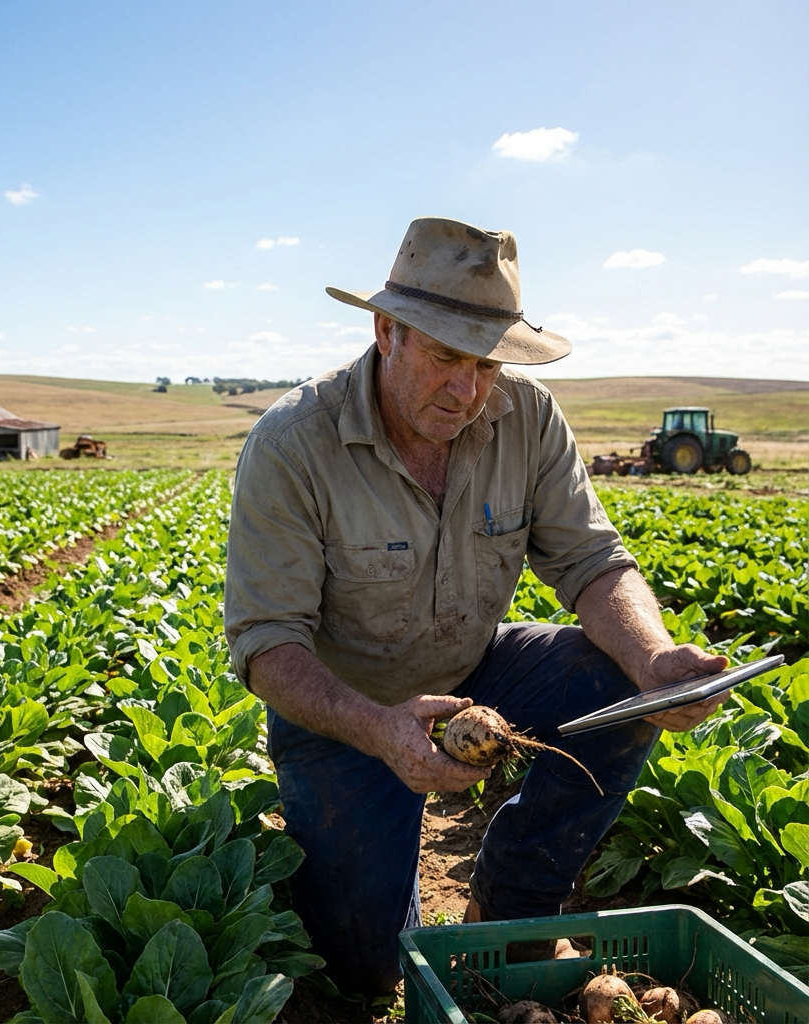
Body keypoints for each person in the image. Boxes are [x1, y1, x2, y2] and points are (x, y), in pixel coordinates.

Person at [223, 217, 729, 997]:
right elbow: (266, 645)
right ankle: (390, 905)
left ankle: (517, 903)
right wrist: (380, 729)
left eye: (488, 362)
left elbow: (593, 561)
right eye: (448, 357)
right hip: (342, 709)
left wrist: (655, 658)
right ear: (386, 330)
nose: (468, 390)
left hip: (474, 669)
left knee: (617, 680)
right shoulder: (294, 443)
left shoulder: (527, 417)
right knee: (367, 969)